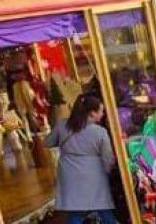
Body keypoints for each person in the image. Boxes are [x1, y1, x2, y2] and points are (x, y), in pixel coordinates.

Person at [44, 94, 116, 224]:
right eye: (101, 111)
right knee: (103, 209)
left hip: (69, 174)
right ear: (92, 113)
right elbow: (107, 158)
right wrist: (108, 172)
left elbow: (48, 143)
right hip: (93, 174)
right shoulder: (100, 132)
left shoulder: (62, 125)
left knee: (75, 212)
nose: (102, 114)